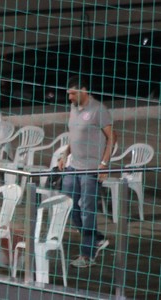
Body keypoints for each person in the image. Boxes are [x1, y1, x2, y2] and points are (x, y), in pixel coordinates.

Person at [58, 75, 115, 268]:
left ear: (83, 90)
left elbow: (112, 138)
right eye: (68, 94)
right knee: (68, 206)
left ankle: (87, 254)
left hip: (91, 169)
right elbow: (74, 137)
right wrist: (65, 154)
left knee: (87, 211)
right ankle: (96, 238)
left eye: (73, 94)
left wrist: (104, 163)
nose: (70, 98)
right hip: (73, 166)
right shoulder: (74, 109)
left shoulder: (99, 110)